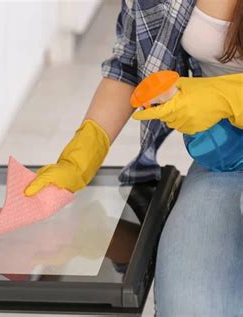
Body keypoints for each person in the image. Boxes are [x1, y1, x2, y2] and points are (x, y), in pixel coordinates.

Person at [24, 0, 243, 315]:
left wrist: (224, 97)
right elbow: (129, 64)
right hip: (225, 158)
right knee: (189, 303)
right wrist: (80, 155)